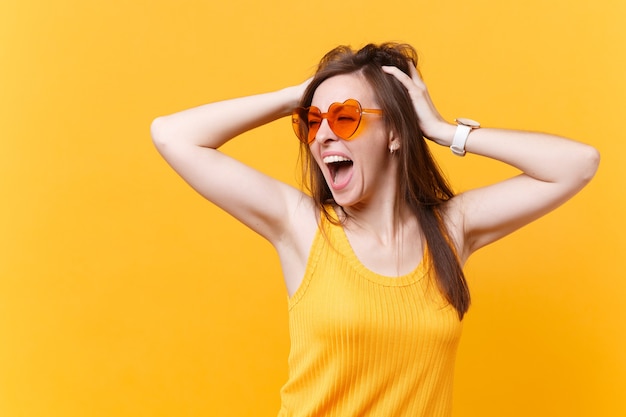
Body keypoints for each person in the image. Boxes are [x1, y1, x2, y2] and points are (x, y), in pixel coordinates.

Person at [151, 43, 599, 416]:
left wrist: (443, 131)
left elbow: (577, 164)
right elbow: (172, 135)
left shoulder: (451, 229)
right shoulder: (303, 226)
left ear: (395, 134)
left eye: (345, 117)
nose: (323, 134)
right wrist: (298, 95)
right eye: (313, 121)